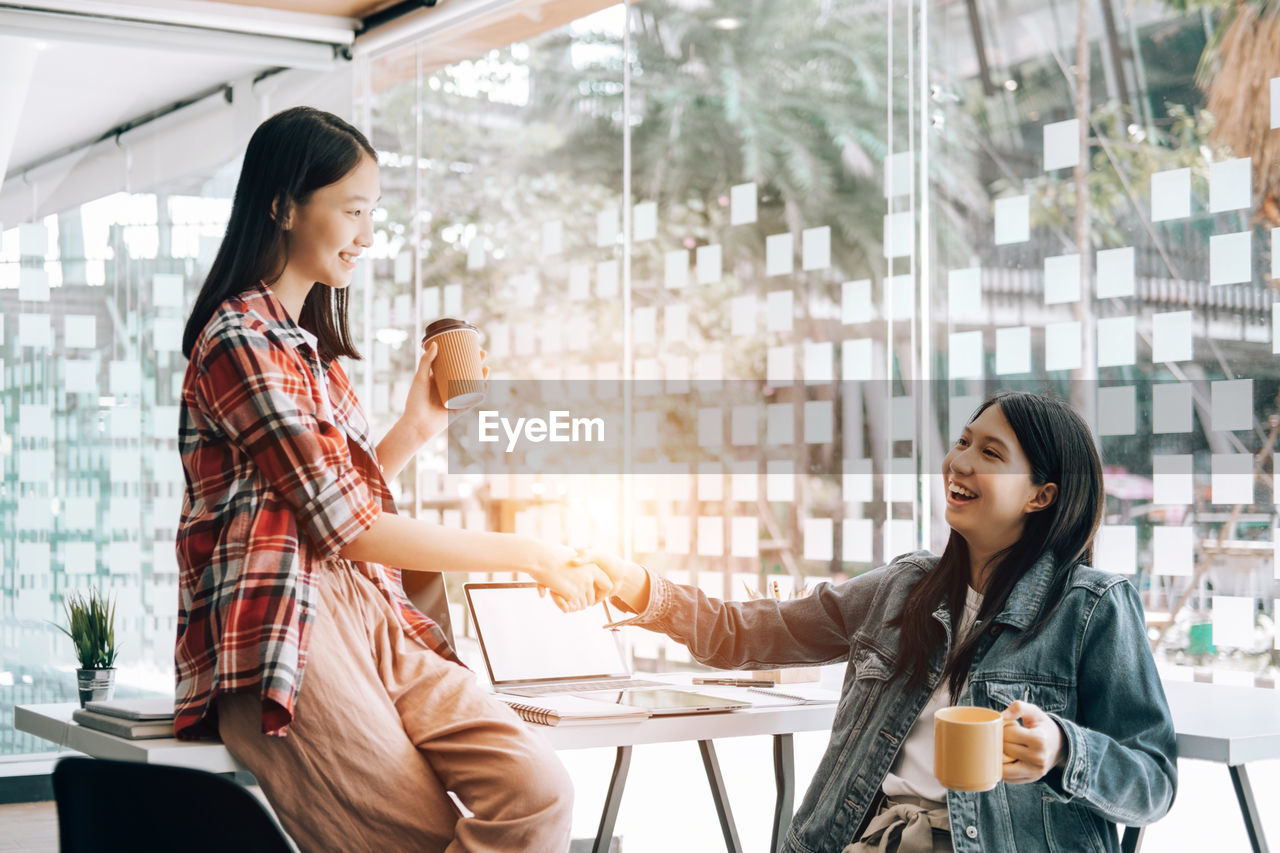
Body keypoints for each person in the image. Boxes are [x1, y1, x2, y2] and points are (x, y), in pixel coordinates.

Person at [175, 106, 614, 853]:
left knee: (537, 792)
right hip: (287, 632)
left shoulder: (312, 353)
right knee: (417, 839)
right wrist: (530, 553)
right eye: (353, 211)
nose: (368, 236)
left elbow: (337, 504)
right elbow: (342, 523)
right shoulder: (237, 340)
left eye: (372, 212)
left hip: (370, 610)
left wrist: (413, 430)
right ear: (283, 205)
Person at [589, 390, 1177, 853]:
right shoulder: (903, 588)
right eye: (964, 442)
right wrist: (638, 587)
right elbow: (751, 634)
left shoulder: (1092, 607)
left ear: (1040, 496)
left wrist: (1061, 749)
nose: (960, 461)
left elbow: (1152, 780)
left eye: (990, 454)